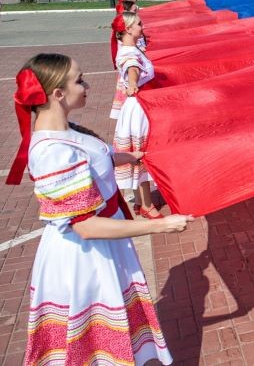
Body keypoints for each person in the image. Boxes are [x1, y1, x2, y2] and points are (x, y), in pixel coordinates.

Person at [5, 53, 193, 364]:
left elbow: (98, 159)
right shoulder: (53, 152)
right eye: (79, 80)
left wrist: (136, 156)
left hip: (103, 245)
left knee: (110, 331)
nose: (86, 85)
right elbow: (85, 225)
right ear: (58, 94)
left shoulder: (66, 132)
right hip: (84, 257)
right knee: (94, 341)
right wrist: (160, 225)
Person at [113, 12, 161, 218]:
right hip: (138, 108)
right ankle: (147, 205)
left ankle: (140, 200)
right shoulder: (128, 53)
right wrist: (132, 83)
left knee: (136, 153)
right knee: (141, 155)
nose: (143, 27)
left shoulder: (130, 48)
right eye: (139, 24)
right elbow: (132, 67)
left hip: (136, 106)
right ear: (129, 29)